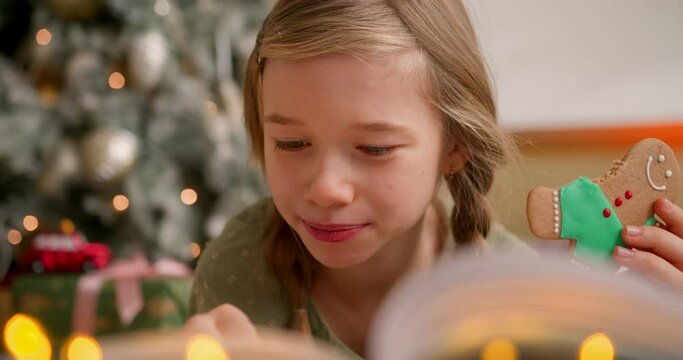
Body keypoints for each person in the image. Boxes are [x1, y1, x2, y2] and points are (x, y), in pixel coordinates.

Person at [184, 1, 683, 359]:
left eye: (375, 148)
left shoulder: (517, 296)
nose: (326, 188)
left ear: (455, 145)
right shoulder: (237, 274)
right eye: (291, 144)